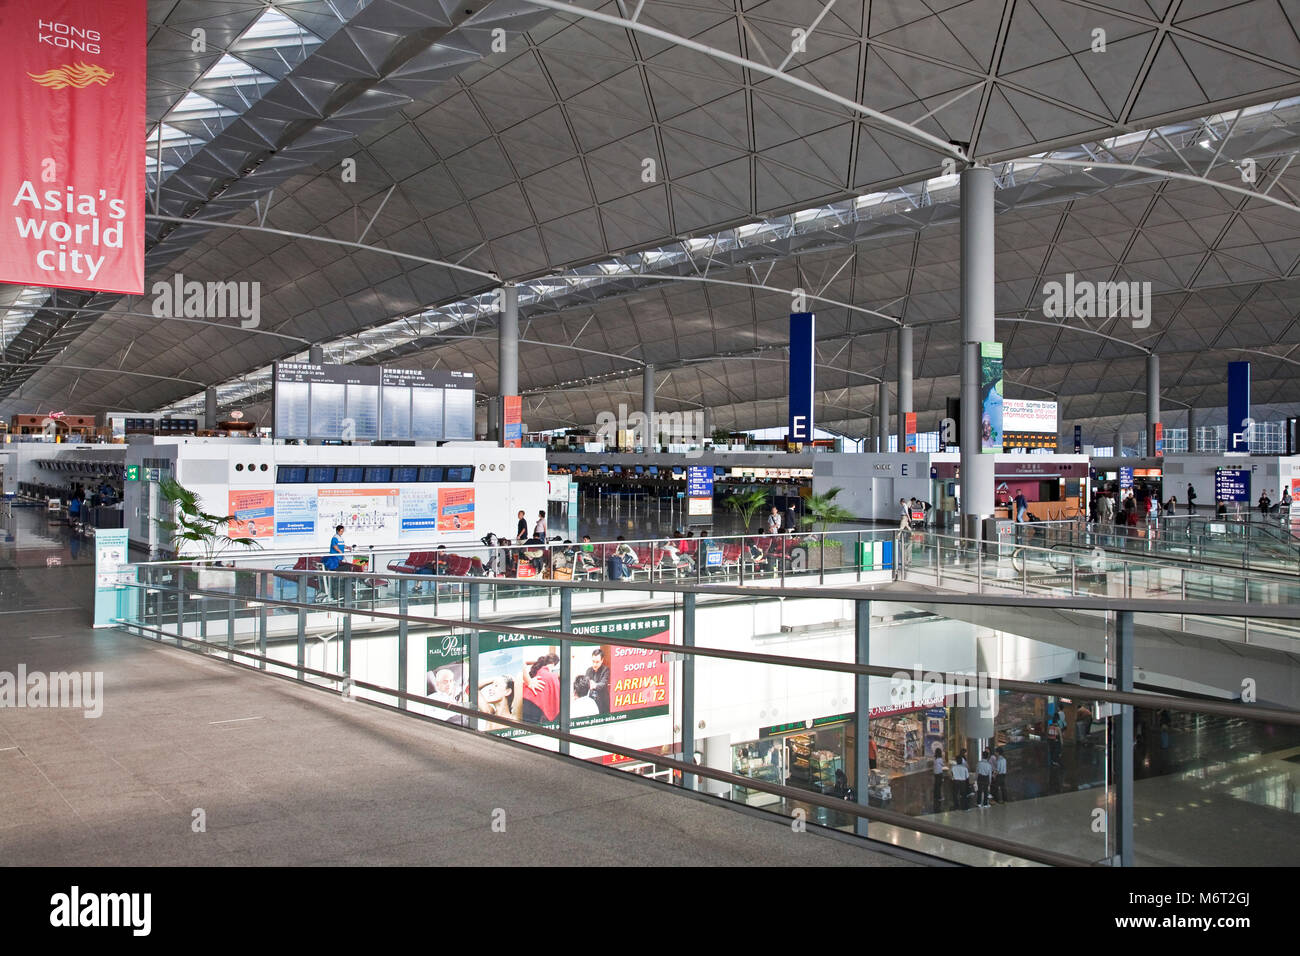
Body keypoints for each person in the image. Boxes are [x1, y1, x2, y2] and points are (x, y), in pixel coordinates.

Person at [521, 654, 561, 725]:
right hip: (536, 712)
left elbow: (523, 663)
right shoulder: (552, 676)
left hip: (525, 706)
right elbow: (557, 699)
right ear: (553, 664)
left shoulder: (533, 677)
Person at [323, 524, 347, 600]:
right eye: (341, 531)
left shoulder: (340, 538)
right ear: (337, 530)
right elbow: (334, 546)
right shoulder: (335, 538)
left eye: (343, 531)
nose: (342, 532)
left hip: (340, 558)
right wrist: (339, 551)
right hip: (335, 557)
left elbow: (342, 546)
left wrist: (347, 547)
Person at [585, 648, 611, 713]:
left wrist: (594, 685)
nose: (595, 664)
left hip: (603, 703)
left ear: (602, 660)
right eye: (593, 661)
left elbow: (603, 683)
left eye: (597, 662)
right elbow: (586, 683)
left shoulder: (606, 670)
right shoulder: (589, 670)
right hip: (591, 701)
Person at [932, 747, 946, 813]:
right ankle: (939, 797)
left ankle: (935, 795)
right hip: (939, 773)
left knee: (936, 784)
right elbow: (943, 765)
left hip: (935, 773)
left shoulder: (935, 759)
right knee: (939, 785)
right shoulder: (940, 759)